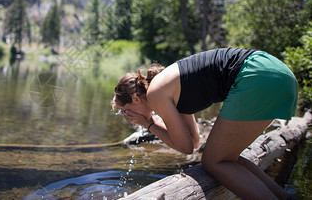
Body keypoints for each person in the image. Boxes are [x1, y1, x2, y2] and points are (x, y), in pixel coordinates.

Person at [112, 48, 298, 200]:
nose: (128, 117)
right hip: (277, 74)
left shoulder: (156, 93)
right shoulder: (169, 87)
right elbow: (193, 143)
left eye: (126, 111)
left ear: (136, 99)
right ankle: (285, 197)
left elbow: (184, 147)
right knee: (226, 158)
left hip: (257, 76)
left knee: (212, 162)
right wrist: (150, 122)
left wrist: (148, 124)